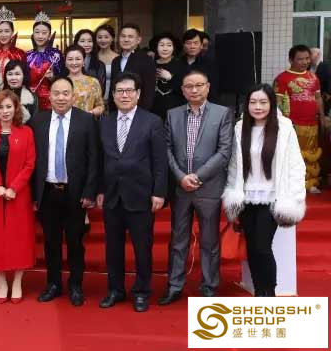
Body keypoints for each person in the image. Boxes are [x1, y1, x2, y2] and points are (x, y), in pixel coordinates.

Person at [222, 84, 306, 297]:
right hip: (246, 197)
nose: (257, 107)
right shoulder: (240, 127)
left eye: (263, 102)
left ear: (271, 103)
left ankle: (269, 291)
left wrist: (295, 196)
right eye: (253, 102)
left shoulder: (285, 128)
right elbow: (234, 165)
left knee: (262, 246)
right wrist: (233, 192)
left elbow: (296, 164)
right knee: (252, 247)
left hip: (272, 197)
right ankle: (260, 291)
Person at [159, 70, 233, 305]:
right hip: (181, 187)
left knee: (209, 240)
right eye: (189, 86)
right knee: (178, 239)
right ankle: (174, 285)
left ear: (208, 87)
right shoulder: (172, 114)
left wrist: (198, 176)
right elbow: (166, 149)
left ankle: (209, 285)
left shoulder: (222, 113)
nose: (194, 90)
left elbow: (224, 151)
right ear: (182, 90)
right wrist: (181, 177)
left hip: (209, 187)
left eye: (199, 85)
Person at [96, 73, 167, 312]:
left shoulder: (152, 121)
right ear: (113, 95)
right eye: (119, 91)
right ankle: (115, 290)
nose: (124, 95)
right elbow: (101, 160)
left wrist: (159, 192)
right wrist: (100, 189)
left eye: (129, 91)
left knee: (142, 248)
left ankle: (141, 291)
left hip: (141, 195)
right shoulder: (105, 122)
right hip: (112, 195)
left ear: (138, 94)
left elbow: (160, 161)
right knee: (113, 248)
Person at [30, 77, 100, 306]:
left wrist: (90, 192)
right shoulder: (38, 121)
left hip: (75, 193)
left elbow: (94, 159)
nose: (61, 97)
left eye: (65, 93)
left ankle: (76, 285)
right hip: (48, 192)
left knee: (75, 242)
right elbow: (32, 161)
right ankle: (53, 284)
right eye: (56, 93)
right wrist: (34, 195)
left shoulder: (86, 120)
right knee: (51, 243)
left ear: (73, 95)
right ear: (49, 96)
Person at [0, 90, 36, 303]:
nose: (5, 111)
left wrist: (14, 188)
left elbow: (30, 164)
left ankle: (17, 282)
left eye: (9, 107)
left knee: (20, 239)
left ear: (16, 108)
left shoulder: (26, 132)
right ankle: (2, 283)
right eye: (0, 107)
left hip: (18, 194)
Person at [274, 45, 325, 194]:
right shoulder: (282, 78)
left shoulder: (313, 77)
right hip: (292, 125)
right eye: (300, 59)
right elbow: (277, 104)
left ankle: (309, 183)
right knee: (292, 155)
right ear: (291, 60)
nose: (305, 62)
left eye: (307, 58)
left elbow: (318, 98)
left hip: (312, 123)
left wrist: (322, 117)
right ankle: (292, 184)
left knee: (311, 154)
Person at [109, 23, 156, 111]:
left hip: (139, 111)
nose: (126, 39)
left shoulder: (146, 60)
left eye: (130, 37)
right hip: (117, 111)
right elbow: (112, 88)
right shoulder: (115, 61)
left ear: (138, 40)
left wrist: (142, 113)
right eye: (123, 36)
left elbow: (149, 91)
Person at [26, 11, 63, 110]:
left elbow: (63, 77)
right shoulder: (27, 56)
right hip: (32, 100)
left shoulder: (56, 55)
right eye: (37, 32)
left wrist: (52, 77)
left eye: (44, 33)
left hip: (52, 100)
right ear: (33, 34)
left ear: (49, 35)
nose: (40, 36)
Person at [0, 6, 26, 86]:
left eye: (7, 31)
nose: (3, 35)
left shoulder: (20, 54)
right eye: (0, 31)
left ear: (12, 33)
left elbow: (25, 77)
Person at [150, 33, 185, 119]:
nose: (165, 49)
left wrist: (170, 78)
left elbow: (184, 88)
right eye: (161, 45)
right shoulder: (150, 65)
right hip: (154, 109)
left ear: (174, 48)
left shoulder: (181, 65)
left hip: (175, 109)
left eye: (169, 45)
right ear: (156, 47)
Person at [64, 45, 104, 118]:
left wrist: (90, 113)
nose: (74, 63)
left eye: (78, 59)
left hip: (88, 122)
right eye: (70, 59)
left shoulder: (93, 82)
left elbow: (100, 106)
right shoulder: (61, 83)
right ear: (65, 63)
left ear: (83, 61)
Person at [179, 28, 219, 101]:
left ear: (201, 45)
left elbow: (213, 90)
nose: (192, 46)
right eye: (188, 43)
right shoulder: (176, 63)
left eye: (196, 43)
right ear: (183, 45)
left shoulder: (209, 65)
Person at [2, 59, 38, 124]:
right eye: (10, 74)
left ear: (24, 76)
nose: (13, 78)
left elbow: (35, 122)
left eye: (17, 74)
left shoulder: (32, 97)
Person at [75, 29, 106, 98]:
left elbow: (101, 89)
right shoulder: (70, 63)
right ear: (76, 43)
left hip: (93, 102)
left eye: (90, 41)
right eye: (82, 41)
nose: (86, 44)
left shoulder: (100, 65)